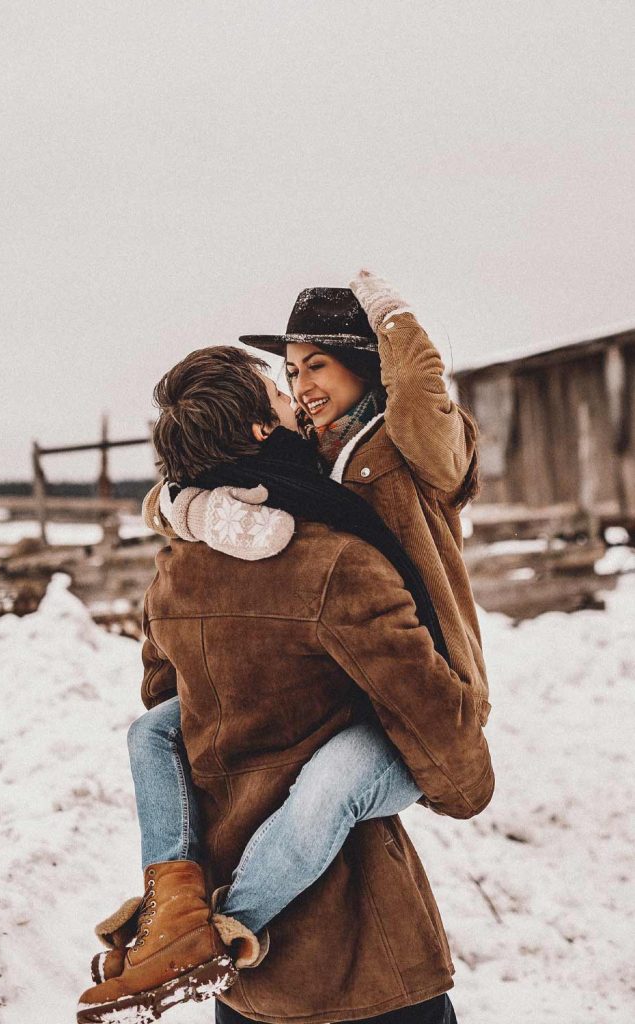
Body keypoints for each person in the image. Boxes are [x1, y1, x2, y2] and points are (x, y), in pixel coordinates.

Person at [76, 328, 494, 1024]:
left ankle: (176, 921)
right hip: (357, 953)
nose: (297, 396)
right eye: (280, 386)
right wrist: (468, 783)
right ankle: (203, 937)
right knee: (331, 783)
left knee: (152, 729)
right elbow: (423, 713)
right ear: (259, 425)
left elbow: (170, 707)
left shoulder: (176, 566)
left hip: (250, 983)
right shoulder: (333, 559)